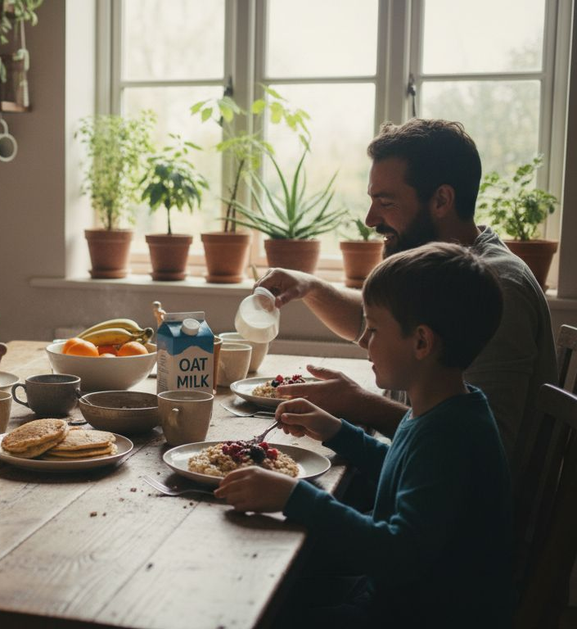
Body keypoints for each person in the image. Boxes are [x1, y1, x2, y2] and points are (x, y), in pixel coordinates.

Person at [216, 243, 512, 627]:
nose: (364, 342)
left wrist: (293, 496)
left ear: (421, 342)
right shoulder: (446, 408)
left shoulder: (449, 435)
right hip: (397, 600)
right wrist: (337, 431)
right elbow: (402, 467)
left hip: (414, 615)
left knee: (253, 608)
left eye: (372, 329)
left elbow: (397, 554)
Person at [256, 118, 555, 473]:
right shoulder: (442, 273)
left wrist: (359, 403)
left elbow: (481, 453)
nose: (370, 219)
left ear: (441, 200)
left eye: (385, 202)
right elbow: (374, 323)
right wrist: (309, 286)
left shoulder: (496, 285)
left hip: (459, 516)